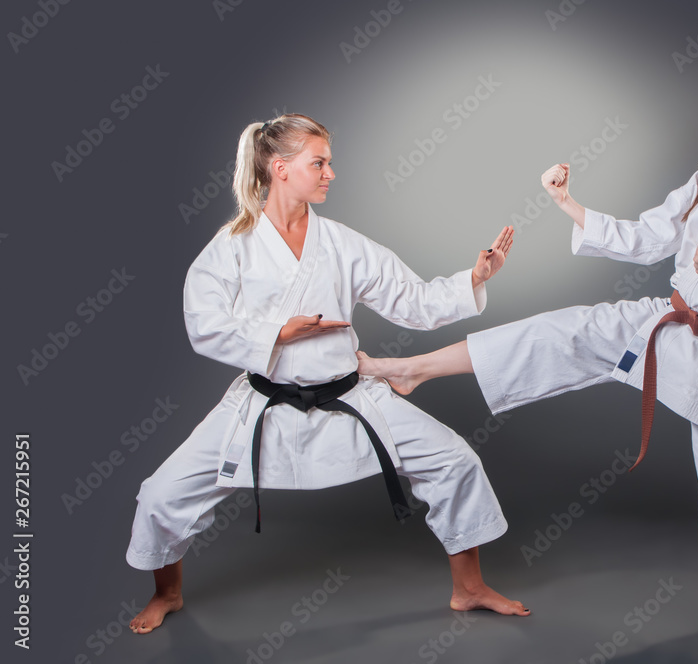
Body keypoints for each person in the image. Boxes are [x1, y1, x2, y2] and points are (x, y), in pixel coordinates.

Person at [358, 68, 698, 636]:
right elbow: (646, 237)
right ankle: (412, 368)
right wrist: (567, 203)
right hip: (669, 323)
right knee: (564, 330)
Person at [127, 113, 528, 634]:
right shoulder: (232, 245)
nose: (330, 173)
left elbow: (412, 300)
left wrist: (472, 279)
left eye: (329, 163)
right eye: (319, 163)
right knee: (162, 494)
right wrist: (278, 334)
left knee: (454, 460)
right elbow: (203, 324)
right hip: (263, 406)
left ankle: (469, 589)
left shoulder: (341, 243)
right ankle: (168, 591)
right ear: (280, 168)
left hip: (347, 399)